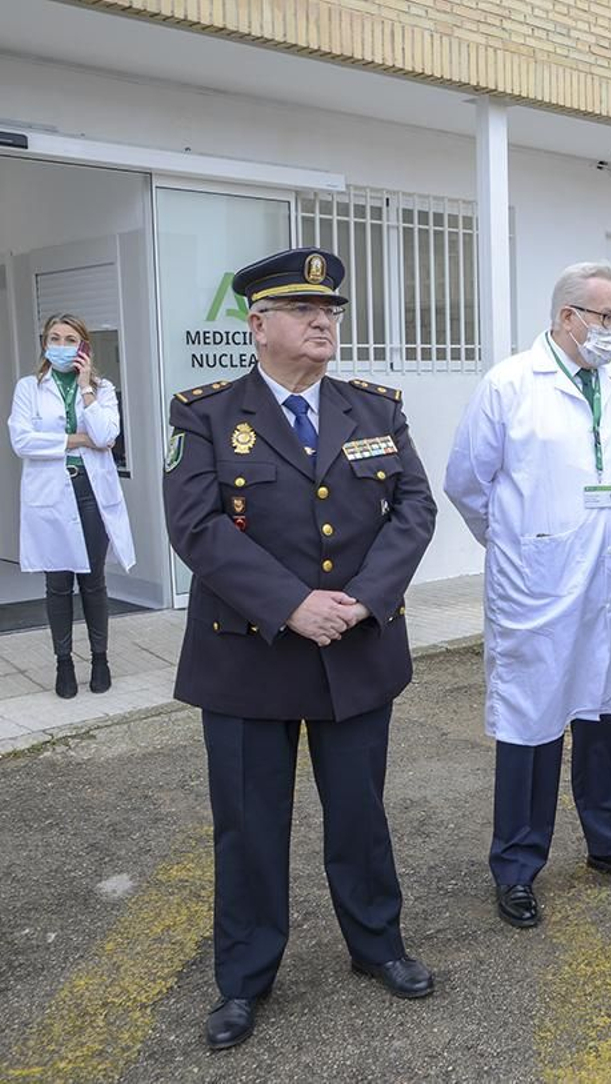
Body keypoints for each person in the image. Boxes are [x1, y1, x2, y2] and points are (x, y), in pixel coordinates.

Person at [164, 247, 438, 1051]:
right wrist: (292, 604)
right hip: (247, 657)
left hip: (354, 648)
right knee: (248, 825)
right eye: (302, 311)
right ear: (258, 325)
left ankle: (377, 945)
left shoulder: (375, 409)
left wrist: (363, 600)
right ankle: (245, 978)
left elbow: (414, 509)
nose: (324, 322)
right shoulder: (205, 412)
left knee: (360, 814)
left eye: (332, 312)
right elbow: (196, 527)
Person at [445, 261, 611, 934]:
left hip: (608, 577)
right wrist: (521, 546)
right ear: (566, 317)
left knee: (604, 716)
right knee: (531, 725)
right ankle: (516, 866)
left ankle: (610, 842)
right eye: (605, 317)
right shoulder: (510, 384)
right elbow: (466, 484)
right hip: (537, 583)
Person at [8, 313, 135, 698]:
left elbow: (108, 434)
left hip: (91, 494)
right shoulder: (29, 387)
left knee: (93, 581)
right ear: (45, 343)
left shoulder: (103, 388)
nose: (61, 346)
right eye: (54, 338)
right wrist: (77, 441)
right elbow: (22, 441)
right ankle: (64, 663)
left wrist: (85, 389)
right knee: (58, 584)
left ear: (84, 347)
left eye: (69, 339)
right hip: (50, 495)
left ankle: (100, 659)